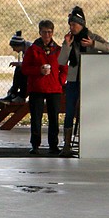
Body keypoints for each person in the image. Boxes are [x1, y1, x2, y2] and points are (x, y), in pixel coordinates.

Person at [56, 6, 109, 157]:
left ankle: (87, 143)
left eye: (74, 24)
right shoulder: (70, 40)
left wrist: (93, 45)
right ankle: (67, 145)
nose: (71, 27)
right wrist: (67, 45)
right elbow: (61, 61)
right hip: (73, 80)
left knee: (87, 112)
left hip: (89, 81)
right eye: (70, 24)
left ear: (82, 24)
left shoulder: (91, 37)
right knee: (69, 112)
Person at [21, 20, 64, 155]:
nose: (47, 35)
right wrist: (38, 70)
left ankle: (53, 145)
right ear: (40, 32)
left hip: (54, 89)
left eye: (50, 32)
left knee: (54, 118)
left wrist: (60, 81)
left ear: (53, 33)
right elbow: (25, 68)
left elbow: (64, 67)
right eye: (44, 32)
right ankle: (35, 144)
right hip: (37, 88)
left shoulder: (58, 50)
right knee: (36, 118)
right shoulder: (33, 50)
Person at [0, 31, 31, 104]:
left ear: (18, 45)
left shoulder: (30, 49)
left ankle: (17, 94)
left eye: (14, 47)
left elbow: (31, 64)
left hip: (36, 72)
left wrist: (20, 64)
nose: (14, 50)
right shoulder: (25, 49)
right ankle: (14, 92)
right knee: (19, 69)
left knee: (20, 69)